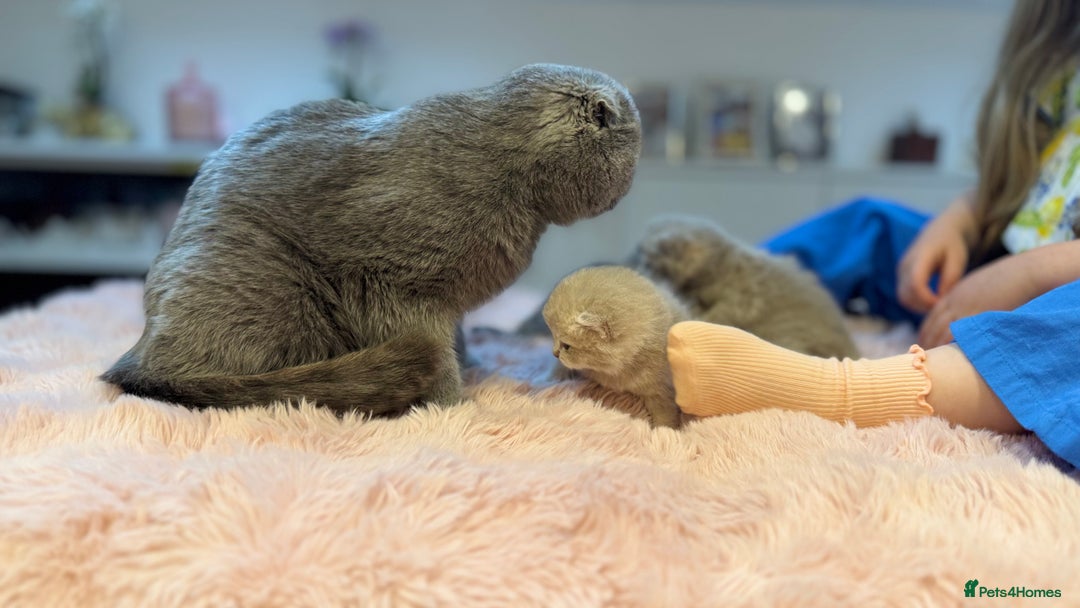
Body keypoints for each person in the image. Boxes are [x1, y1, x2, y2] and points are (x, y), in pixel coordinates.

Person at [667, 0, 1080, 470]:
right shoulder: (1065, 66)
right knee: (870, 221)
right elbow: (1020, 183)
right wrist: (957, 222)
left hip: (1059, 292)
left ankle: (845, 390)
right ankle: (667, 298)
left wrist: (1026, 274)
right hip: (997, 260)